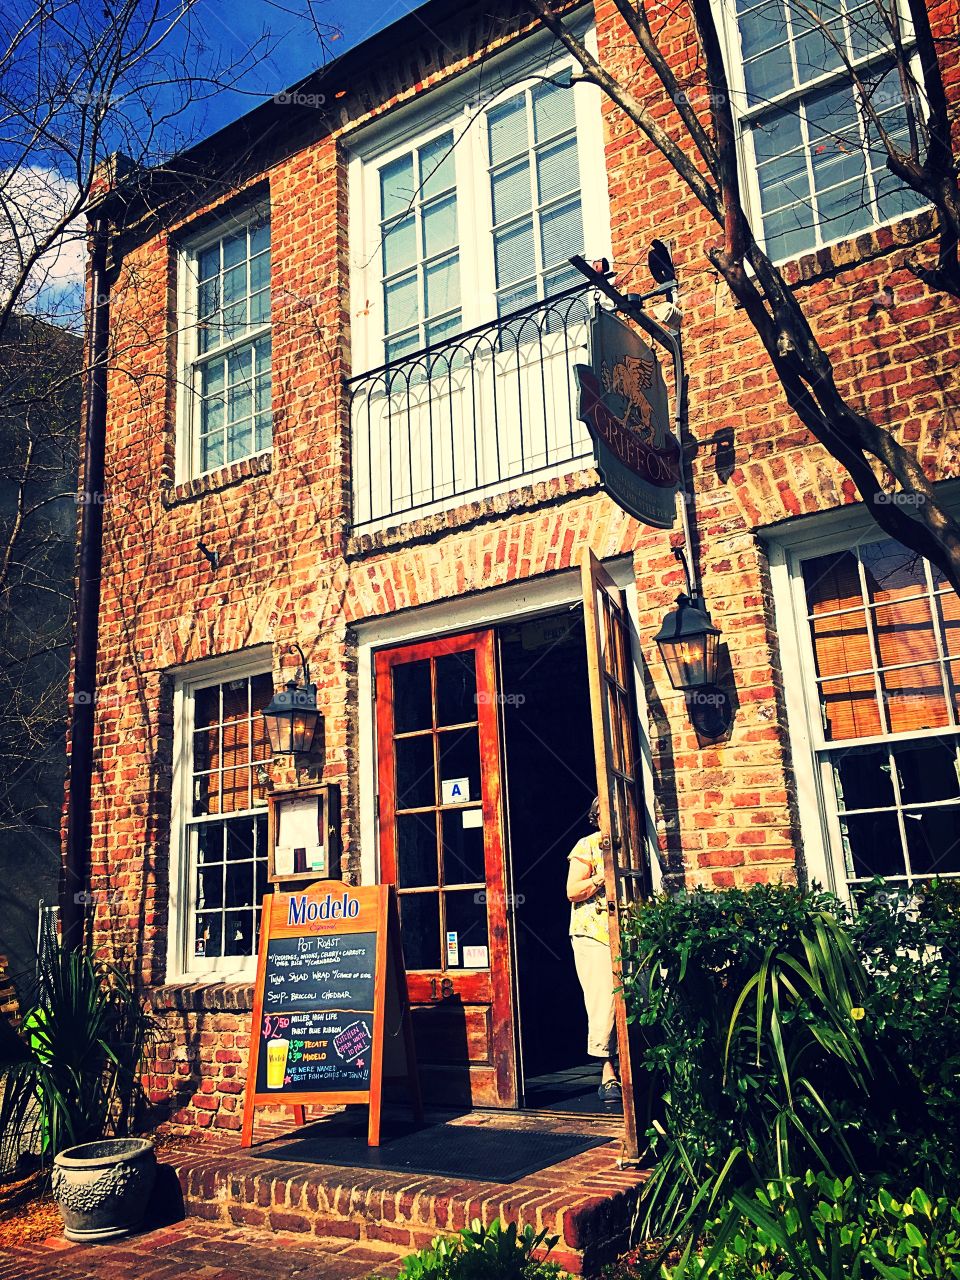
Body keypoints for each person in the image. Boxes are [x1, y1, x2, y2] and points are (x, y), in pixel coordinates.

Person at [567, 796, 621, 1104]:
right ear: (596, 817)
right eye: (604, 814)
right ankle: (607, 1073)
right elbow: (572, 891)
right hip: (593, 933)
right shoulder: (586, 846)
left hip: (626, 931)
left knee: (633, 997)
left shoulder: (629, 844)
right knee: (604, 1002)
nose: (609, 819)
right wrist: (603, 876)